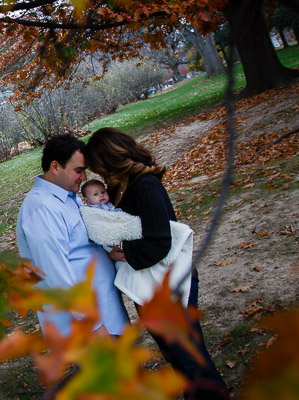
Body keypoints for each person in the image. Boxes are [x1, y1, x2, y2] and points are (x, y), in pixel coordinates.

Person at [82, 127, 230, 400]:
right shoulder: (116, 187)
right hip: (146, 284)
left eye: (98, 166)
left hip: (169, 280)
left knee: (188, 353)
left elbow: (159, 241)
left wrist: (122, 251)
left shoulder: (145, 185)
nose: (97, 174)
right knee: (173, 352)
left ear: (110, 159)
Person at [16, 135, 129, 338]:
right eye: (78, 170)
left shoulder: (67, 196)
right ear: (55, 167)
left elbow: (80, 247)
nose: (84, 177)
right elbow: (55, 273)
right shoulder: (42, 209)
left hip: (106, 311)